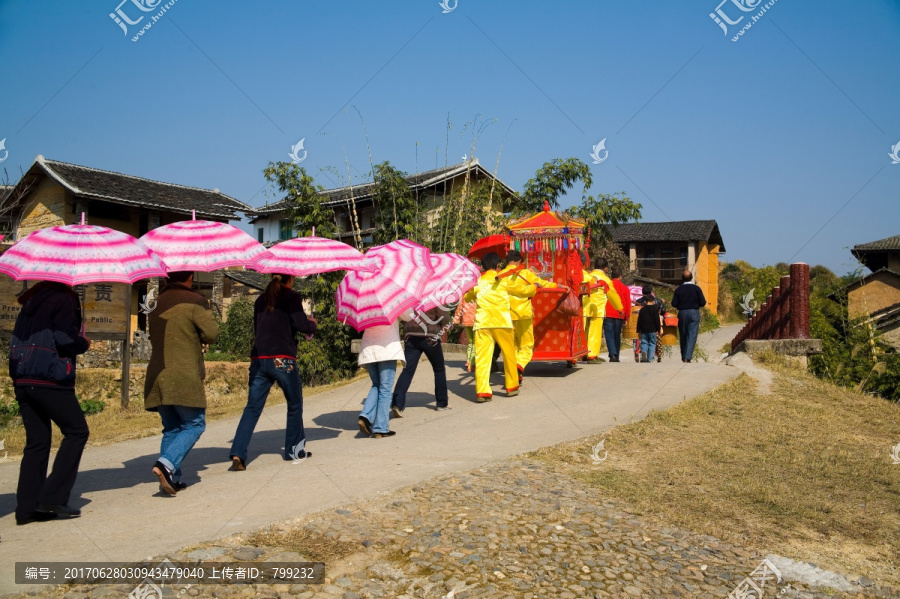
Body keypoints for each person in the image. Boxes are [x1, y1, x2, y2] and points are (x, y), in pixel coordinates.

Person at [9, 282, 91, 524]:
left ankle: (27, 509)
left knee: (37, 442)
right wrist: (83, 343)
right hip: (49, 377)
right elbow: (64, 339)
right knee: (77, 431)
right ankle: (52, 497)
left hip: (23, 376)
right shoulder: (63, 299)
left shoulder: (31, 300)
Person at [229, 274, 316, 471]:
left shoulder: (261, 300)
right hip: (282, 359)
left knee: (252, 408)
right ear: (291, 279)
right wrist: (313, 325)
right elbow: (302, 325)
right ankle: (294, 450)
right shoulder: (291, 297)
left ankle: (238, 453)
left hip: (259, 360)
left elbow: (257, 329)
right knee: (294, 403)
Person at [144, 271, 219, 495]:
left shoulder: (155, 304)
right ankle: (166, 464)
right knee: (195, 424)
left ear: (167, 278)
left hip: (158, 374)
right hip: (182, 374)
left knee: (172, 428)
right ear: (190, 277)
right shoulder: (196, 300)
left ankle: (171, 478)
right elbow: (212, 333)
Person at [463, 252, 536, 402]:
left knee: (483, 358)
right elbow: (523, 292)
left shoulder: (478, 283)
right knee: (509, 355)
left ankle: (482, 392)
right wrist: (534, 288)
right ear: (497, 266)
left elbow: (467, 297)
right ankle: (511, 386)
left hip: (483, 324)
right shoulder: (503, 281)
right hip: (502, 323)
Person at [499, 250, 560, 380]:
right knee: (527, 345)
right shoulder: (526, 274)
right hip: (523, 314)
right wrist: (558, 285)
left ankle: (513, 371)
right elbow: (543, 284)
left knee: (512, 345)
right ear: (518, 261)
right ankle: (519, 365)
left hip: (506, 314)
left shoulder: (500, 275)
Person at [391, 306, 450, 414]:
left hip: (411, 336)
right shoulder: (435, 294)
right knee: (439, 370)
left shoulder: (409, 293)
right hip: (430, 336)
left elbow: (403, 316)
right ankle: (441, 403)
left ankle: (397, 404)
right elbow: (443, 317)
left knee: (407, 371)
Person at [357, 319, 405, 438]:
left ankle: (365, 416)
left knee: (376, 385)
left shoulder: (366, 302)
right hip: (386, 349)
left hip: (369, 349)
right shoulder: (392, 301)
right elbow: (408, 316)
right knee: (385, 388)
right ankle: (381, 428)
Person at [582, 257, 623, 363]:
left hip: (585, 306)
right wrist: (619, 308)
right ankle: (592, 355)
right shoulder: (606, 280)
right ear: (605, 268)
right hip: (598, 308)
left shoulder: (588, 275)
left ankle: (583, 352)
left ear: (594, 266)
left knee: (584, 331)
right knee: (595, 332)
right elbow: (613, 295)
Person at [671, 270, 707, 363]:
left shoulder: (678, 289)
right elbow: (703, 302)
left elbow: (674, 303)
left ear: (682, 278)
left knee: (683, 334)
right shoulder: (697, 289)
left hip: (682, 313)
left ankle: (683, 356)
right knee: (692, 335)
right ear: (691, 278)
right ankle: (687, 357)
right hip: (694, 313)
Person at [602, 268, 632, 362]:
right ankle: (616, 355)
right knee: (616, 335)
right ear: (620, 277)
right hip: (620, 314)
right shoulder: (625, 288)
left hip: (608, 313)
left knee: (609, 334)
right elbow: (628, 304)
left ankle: (612, 354)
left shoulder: (607, 285)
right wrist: (626, 317)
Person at [635, 285, 663, 363]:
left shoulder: (642, 310)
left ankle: (644, 353)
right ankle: (650, 358)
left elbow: (639, 321)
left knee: (644, 342)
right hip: (652, 330)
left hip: (644, 330)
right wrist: (658, 329)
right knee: (652, 344)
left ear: (645, 302)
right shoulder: (655, 310)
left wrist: (638, 330)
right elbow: (657, 320)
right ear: (653, 301)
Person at [452, 299, 477, 372]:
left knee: (470, 342)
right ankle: (471, 364)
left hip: (466, 321)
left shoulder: (464, 296)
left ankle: (468, 360)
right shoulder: (478, 294)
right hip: (476, 321)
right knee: (475, 343)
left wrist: (456, 320)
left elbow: (459, 308)